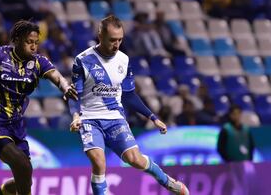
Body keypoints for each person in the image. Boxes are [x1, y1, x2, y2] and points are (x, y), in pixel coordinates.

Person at [68, 15, 189, 195]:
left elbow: (130, 94)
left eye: (120, 40)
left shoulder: (123, 60)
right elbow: (73, 94)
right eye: (112, 40)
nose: (116, 45)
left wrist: (152, 117)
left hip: (115, 119)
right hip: (90, 119)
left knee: (135, 159)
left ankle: (168, 182)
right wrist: (76, 116)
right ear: (100, 36)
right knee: (99, 161)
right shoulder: (82, 60)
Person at [0, 20, 77, 195]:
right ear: (17, 40)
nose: (34, 47)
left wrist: (65, 87)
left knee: (24, 177)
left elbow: (57, 77)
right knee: (22, 164)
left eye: (36, 43)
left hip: (16, 126)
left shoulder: (38, 62)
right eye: (29, 42)